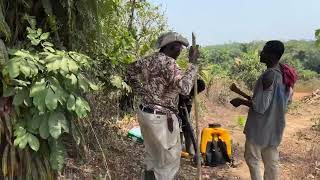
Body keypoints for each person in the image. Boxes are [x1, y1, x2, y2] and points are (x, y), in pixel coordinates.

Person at [126, 32, 198, 180]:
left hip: (145, 113)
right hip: (161, 119)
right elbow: (185, 88)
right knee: (167, 163)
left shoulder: (148, 60)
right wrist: (193, 64)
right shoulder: (169, 64)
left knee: (152, 158)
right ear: (172, 47)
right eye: (179, 49)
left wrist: (142, 91)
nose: (180, 52)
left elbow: (128, 71)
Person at [230, 40, 295, 180]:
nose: (261, 53)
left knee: (253, 160)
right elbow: (284, 101)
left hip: (260, 128)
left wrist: (240, 101)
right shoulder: (284, 74)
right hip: (275, 127)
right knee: (272, 162)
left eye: (264, 50)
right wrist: (241, 93)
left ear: (272, 54)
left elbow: (260, 106)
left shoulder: (269, 75)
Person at [178, 79, 205, 156]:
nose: (198, 92)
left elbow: (189, 106)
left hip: (185, 112)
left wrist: (186, 119)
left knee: (188, 129)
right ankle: (178, 150)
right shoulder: (184, 89)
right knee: (178, 129)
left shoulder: (193, 94)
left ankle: (190, 150)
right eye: (198, 90)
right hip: (176, 111)